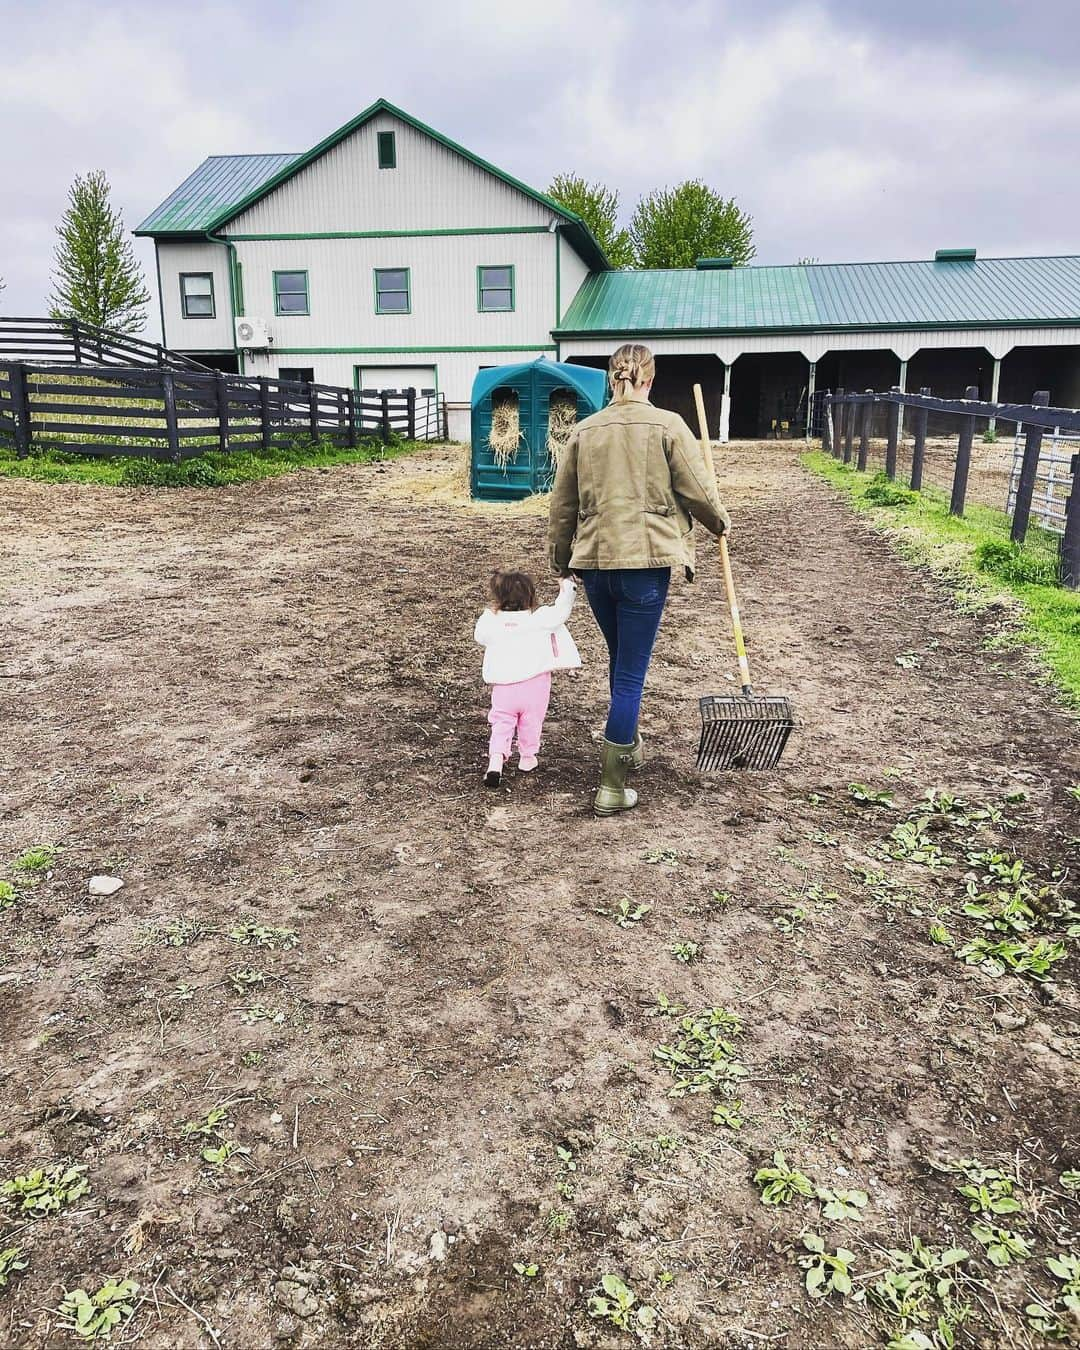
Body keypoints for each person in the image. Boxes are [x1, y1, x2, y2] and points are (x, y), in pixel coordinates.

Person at [548, 343, 731, 816]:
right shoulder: (668, 425)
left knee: (620, 659)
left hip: (595, 567)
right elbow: (696, 488)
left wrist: (560, 558)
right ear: (648, 380)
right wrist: (719, 522)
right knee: (630, 673)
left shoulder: (584, 431)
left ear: (614, 378)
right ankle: (612, 786)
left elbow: (562, 505)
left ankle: (628, 741)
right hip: (645, 565)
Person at [475, 569, 580, 789]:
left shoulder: (490, 619)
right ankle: (527, 757)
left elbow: (480, 636)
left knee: (502, 722)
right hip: (535, 685)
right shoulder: (540, 618)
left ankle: (496, 761)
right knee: (532, 722)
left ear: (498, 597)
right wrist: (566, 585)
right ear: (531, 595)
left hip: (504, 687)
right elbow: (561, 611)